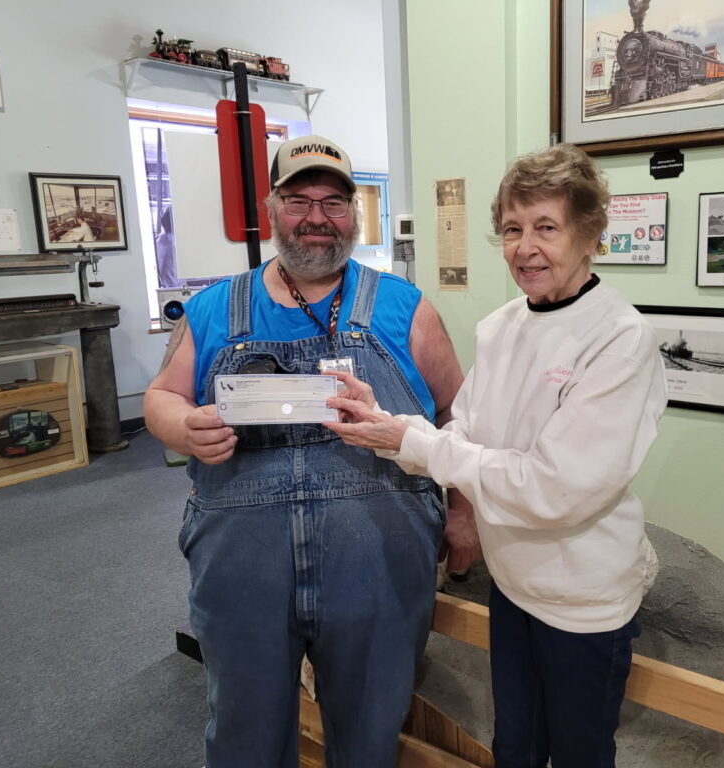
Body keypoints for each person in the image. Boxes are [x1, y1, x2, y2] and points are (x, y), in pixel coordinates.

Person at [325, 143, 668, 767]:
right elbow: (465, 436)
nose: (525, 247)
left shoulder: (620, 339)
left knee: (580, 754)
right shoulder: (503, 325)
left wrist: (414, 442)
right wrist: (390, 424)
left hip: (582, 598)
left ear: (589, 234)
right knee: (515, 747)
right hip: (512, 584)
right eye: (512, 229)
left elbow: (555, 489)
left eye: (546, 227)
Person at [143, 133, 477, 767]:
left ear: (354, 213)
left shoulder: (404, 307)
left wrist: (463, 512)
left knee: (372, 724)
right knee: (245, 727)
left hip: (378, 554)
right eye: (299, 201)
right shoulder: (217, 306)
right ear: (272, 209)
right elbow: (161, 396)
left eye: (334, 202)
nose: (317, 219)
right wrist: (183, 427)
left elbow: (458, 414)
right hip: (243, 558)